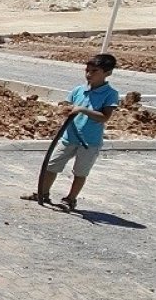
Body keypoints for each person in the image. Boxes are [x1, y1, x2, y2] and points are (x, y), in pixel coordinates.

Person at [22, 53, 120, 211]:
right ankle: (42, 193)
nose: (89, 74)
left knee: (80, 172)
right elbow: (66, 105)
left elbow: (104, 117)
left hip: (89, 142)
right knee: (51, 165)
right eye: (87, 71)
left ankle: (70, 199)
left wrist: (83, 110)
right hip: (69, 137)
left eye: (94, 71)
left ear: (107, 73)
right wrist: (65, 109)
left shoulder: (110, 94)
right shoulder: (79, 90)